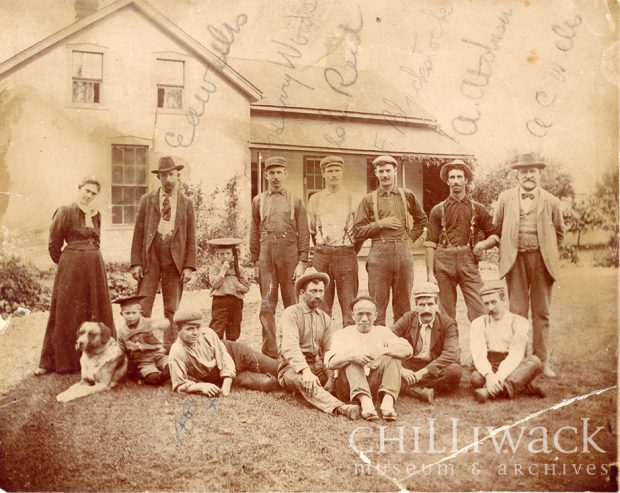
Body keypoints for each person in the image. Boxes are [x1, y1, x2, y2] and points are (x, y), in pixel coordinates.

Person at [493, 153, 565, 377]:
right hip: (515, 262)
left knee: (542, 313)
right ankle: (518, 360)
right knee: (517, 313)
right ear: (518, 175)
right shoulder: (505, 199)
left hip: (541, 262)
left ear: (539, 173)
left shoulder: (551, 201)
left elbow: (560, 233)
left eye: (532, 171)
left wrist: (548, 254)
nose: (528, 176)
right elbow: (496, 229)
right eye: (524, 172)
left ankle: (541, 361)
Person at [36, 176, 115, 375]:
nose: (89, 196)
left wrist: (90, 259)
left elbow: (98, 241)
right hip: (71, 268)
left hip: (94, 268)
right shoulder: (65, 212)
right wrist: (67, 264)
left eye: (93, 193)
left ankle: (100, 357)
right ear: (79, 188)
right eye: (86, 191)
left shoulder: (96, 215)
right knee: (67, 311)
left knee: (95, 308)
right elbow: (54, 244)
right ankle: (62, 362)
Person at [130, 156, 197, 354]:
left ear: (178, 175)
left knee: (172, 309)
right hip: (150, 258)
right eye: (163, 175)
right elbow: (138, 233)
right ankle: (141, 346)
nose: (167, 179)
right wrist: (136, 263)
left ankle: (170, 350)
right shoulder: (147, 200)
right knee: (143, 306)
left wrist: (188, 266)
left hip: (175, 261)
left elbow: (191, 236)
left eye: (171, 174)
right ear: (158, 178)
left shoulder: (186, 203)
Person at [353, 155, 427, 326]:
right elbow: (358, 231)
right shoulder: (368, 200)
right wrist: (380, 224)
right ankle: (378, 347)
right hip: (379, 254)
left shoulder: (407, 195)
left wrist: (410, 239)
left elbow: (422, 220)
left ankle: (403, 346)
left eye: (388, 171)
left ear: (394, 171)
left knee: (403, 305)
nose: (385, 175)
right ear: (376, 173)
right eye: (381, 171)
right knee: (377, 304)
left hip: (404, 253)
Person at [278, 269, 360, 420]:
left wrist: (330, 378)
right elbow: (290, 347)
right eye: (313, 291)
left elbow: (329, 351)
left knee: (344, 373)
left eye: (321, 291)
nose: (318, 295)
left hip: (318, 366)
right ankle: (342, 408)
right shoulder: (291, 314)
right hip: (292, 368)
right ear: (302, 292)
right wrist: (306, 371)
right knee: (304, 381)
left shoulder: (325, 319)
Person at [250, 156, 309, 358]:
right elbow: (254, 231)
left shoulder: (296, 199)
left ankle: (294, 350)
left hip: (290, 255)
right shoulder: (258, 200)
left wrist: (302, 261)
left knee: (292, 305)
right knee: (267, 305)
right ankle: (270, 352)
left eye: (279, 173)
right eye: (271, 173)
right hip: (266, 257)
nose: (275, 177)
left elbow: (304, 231)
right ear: (266, 175)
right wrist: (255, 261)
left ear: (285, 174)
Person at [425, 160, 498, 321]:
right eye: (452, 177)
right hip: (443, 263)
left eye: (459, 177)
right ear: (448, 181)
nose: (456, 181)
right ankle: (450, 346)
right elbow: (430, 243)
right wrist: (430, 273)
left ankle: (481, 345)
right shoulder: (438, 210)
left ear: (466, 180)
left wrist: (483, 244)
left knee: (480, 309)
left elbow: (494, 235)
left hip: (468, 262)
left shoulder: (478, 208)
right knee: (445, 313)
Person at [326, 295, 413, 421]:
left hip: (375, 384)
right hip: (348, 386)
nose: (364, 319)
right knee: (352, 359)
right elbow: (330, 363)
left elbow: (408, 351)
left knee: (393, 355)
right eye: (360, 314)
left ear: (376, 316)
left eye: (369, 314)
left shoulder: (383, 332)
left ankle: (387, 402)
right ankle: (365, 402)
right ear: (352, 316)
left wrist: (384, 352)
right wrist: (351, 357)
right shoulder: (342, 334)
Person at [168, 310, 280, 395]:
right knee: (267, 383)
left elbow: (224, 357)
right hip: (219, 374)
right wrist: (201, 386)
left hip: (235, 353)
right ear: (178, 330)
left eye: (198, 327)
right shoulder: (177, 352)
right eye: (189, 329)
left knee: (277, 369)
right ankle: (286, 384)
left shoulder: (207, 333)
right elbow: (180, 384)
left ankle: (294, 381)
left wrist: (226, 386)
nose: (195, 332)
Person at [469, 280, 545, 403]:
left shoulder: (519, 322)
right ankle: (520, 386)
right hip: (490, 362)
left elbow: (516, 355)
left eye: (494, 302)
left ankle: (488, 392)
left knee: (535, 362)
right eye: (486, 304)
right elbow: (479, 354)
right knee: (476, 378)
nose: (490, 308)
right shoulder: (478, 323)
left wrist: (498, 377)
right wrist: (489, 376)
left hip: (513, 364)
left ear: (504, 299)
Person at [307, 155, 360, 326]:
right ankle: (323, 347)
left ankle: (349, 347)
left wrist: (348, 250)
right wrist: (323, 250)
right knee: (321, 303)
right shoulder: (315, 199)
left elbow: (358, 231)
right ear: (323, 173)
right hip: (322, 254)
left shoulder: (352, 198)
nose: (334, 175)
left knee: (349, 302)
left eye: (337, 170)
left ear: (342, 172)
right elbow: (312, 229)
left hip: (346, 253)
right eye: (330, 171)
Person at [391, 282, 462, 404]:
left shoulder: (448, 323)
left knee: (454, 371)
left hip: (433, 366)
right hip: (411, 365)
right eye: (421, 305)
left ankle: (407, 387)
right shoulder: (408, 318)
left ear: (436, 304)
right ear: (416, 306)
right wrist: (402, 370)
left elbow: (452, 353)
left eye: (430, 304)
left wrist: (422, 372)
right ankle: (419, 390)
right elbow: (387, 338)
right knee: (387, 367)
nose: (426, 310)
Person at [114, 295, 170, 385]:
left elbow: (166, 322)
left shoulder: (148, 322)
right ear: (122, 314)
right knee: (153, 378)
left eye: (134, 313)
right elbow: (121, 350)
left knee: (172, 366)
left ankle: (163, 374)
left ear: (140, 312)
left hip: (158, 355)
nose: (131, 316)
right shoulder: (122, 332)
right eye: (127, 313)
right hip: (143, 361)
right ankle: (147, 375)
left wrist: (159, 324)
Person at [207, 238, 249, 341]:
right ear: (218, 255)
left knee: (234, 326)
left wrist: (242, 288)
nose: (225, 256)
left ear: (233, 255)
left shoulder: (239, 268)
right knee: (217, 326)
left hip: (236, 301)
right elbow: (215, 284)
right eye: (222, 254)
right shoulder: (215, 268)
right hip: (221, 300)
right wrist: (222, 271)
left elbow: (246, 286)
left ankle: (231, 348)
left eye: (228, 253)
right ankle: (216, 348)